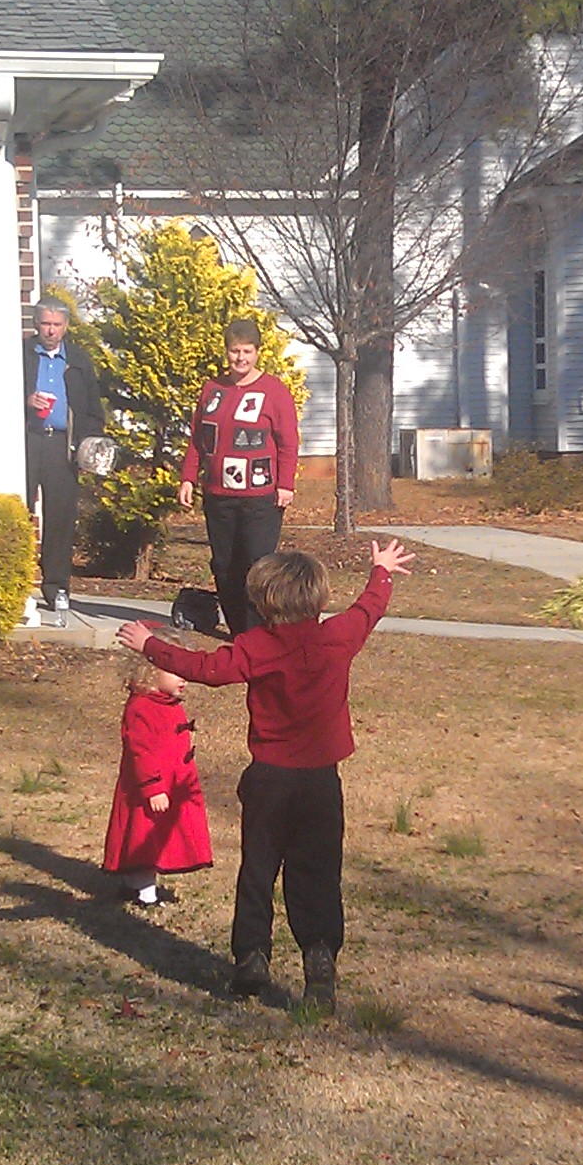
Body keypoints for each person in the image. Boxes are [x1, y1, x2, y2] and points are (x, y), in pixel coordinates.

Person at [115, 539, 416, 1010]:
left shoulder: (255, 647)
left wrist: (150, 645)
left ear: (262, 602)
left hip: (269, 780)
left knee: (258, 870)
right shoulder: (337, 636)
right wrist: (382, 571)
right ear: (319, 598)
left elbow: (203, 668)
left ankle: (252, 957)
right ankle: (319, 956)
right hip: (321, 782)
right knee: (318, 874)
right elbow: (368, 609)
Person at [175, 317, 299, 635]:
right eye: (234, 351)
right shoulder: (213, 390)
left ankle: (258, 632)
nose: (240, 358)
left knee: (257, 564)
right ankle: (237, 631)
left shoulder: (274, 391)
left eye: (246, 351)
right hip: (218, 495)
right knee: (224, 565)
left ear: (257, 352)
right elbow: (198, 439)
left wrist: (286, 484)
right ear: (226, 352)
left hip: (260, 498)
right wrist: (188, 477)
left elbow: (288, 441)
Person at [104, 653, 211, 908]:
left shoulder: (168, 703)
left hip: (172, 783)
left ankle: (134, 884)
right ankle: (145, 893)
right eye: (177, 672)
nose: (184, 679)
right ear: (152, 672)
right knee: (145, 838)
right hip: (149, 788)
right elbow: (140, 751)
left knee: (161, 836)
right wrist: (152, 787)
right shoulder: (142, 707)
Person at [27, 302, 103, 618]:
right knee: (18, 511)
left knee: (60, 518)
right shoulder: (22, 356)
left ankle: (57, 587)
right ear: (36, 324)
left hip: (63, 445)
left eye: (57, 325)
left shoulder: (78, 360)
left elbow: (94, 409)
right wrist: (26, 401)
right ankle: (14, 582)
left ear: (66, 327)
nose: (51, 330)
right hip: (27, 441)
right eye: (46, 323)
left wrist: (88, 444)